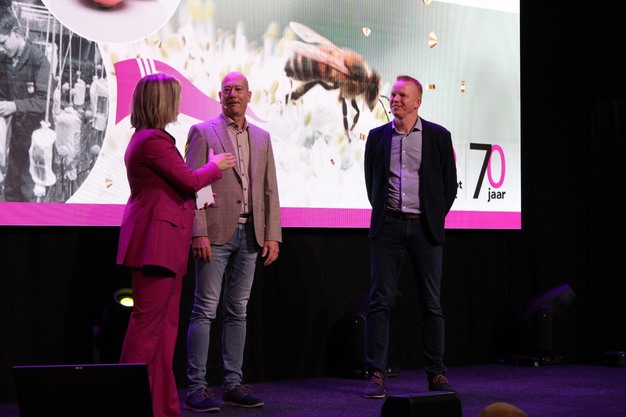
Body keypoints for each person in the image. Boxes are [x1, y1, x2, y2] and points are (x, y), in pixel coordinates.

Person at [116, 73, 236, 417]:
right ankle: (126, 403)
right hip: (155, 244)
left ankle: (162, 407)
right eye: (175, 98)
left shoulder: (153, 139)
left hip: (165, 244)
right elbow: (188, 179)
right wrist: (215, 166)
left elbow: (174, 188)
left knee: (164, 335)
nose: (180, 104)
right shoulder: (152, 140)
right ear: (161, 102)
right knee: (146, 332)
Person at [184, 71, 282, 412]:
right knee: (205, 310)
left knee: (237, 311)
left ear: (249, 95)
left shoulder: (262, 137)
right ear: (220, 96)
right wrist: (198, 231)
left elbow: (270, 188)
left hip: (251, 234)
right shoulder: (202, 132)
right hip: (215, 233)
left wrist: (272, 234)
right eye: (227, 89)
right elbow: (194, 184)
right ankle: (196, 386)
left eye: (238, 89)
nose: (232, 94)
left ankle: (232, 384)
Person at [362, 75, 457, 398]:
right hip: (388, 227)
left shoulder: (438, 136)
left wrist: (432, 217)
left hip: (425, 229)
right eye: (393, 95)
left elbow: (448, 185)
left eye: (403, 95)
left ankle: (437, 373)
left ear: (418, 102)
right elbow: (372, 183)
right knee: (380, 301)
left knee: (431, 303)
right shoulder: (377, 137)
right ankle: (376, 373)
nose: (395, 100)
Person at [0, 8, 52, 202]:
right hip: (17, 136)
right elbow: (3, 94)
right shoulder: (3, 61)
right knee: (11, 189)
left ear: (16, 32)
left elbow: (44, 100)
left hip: (38, 138)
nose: (0, 49)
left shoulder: (39, 61)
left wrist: (14, 106)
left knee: (30, 190)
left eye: (3, 42)